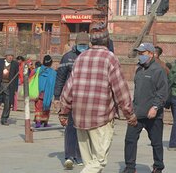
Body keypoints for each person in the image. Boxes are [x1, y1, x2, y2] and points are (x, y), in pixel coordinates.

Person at [59, 22, 137, 173]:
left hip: (80, 117)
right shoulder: (110, 58)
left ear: (91, 41)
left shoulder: (80, 58)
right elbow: (120, 89)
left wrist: (63, 111)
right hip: (101, 118)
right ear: (107, 41)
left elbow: (69, 87)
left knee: (89, 162)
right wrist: (129, 113)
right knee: (99, 162)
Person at [123, 43, 169, 173]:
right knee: (130, 140)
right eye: (139, 53)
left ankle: (158, 166)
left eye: (142, 53)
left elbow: (163, 92)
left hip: (153, 114)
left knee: (156, 143)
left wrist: (155, 107)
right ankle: (130, 167)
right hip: (137, 113)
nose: (140, 56)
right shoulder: (139, 69)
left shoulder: (158, 70)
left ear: (150, 53)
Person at [54, 32, 90, 169]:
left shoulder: (90, 56)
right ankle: (69, 156)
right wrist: (57, 97)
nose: (83, 47)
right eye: (81, 45)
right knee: (70, 128)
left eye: (85, 45)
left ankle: (80, 155)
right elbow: (60, 79)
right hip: (71, 98)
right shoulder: (67, 57)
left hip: (87, 98)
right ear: (76, 44)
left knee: (84, 128)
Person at [0, 48, 19, 125]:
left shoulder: (15, 64)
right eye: (9, 55)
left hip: (9, 86)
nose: (10, 57)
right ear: (5, 56)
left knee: (7, 103)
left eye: (12, 56)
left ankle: (4, 119)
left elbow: (16, 77)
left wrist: (15, 88)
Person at [34, 55, 56, 128]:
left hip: (38, 92)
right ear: (51, 63)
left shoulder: (38, 70)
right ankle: (45, 122)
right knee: (46, 107)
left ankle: (38, 122)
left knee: (38, 107)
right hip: (48, 93)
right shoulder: (53, 72)